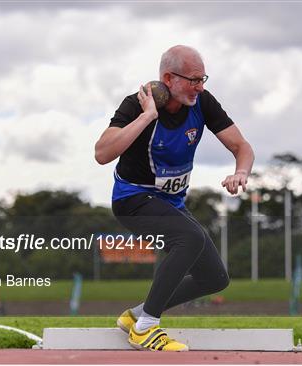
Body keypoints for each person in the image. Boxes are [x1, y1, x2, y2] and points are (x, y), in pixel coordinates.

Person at [94, 45, 254, 352]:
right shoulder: (136, 104)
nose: (200, 87)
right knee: (190, 238)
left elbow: (241, 146)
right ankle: (145, 328)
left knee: (214, 278)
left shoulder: (202, 103)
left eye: (203, 78)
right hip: (133, 201)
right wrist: (147, 116)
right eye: (193, 80)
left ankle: (136, 316)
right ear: (168, 78)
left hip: (171, 204)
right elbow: (102, 153)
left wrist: (242, 172)